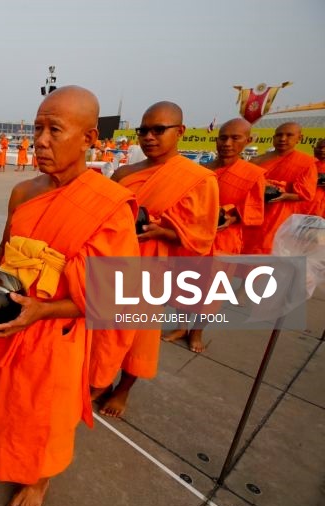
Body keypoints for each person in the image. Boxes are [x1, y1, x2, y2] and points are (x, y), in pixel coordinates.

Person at [0, 86, 139, 506]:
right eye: (37, 129)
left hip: (58, 331)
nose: (41, 140)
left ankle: (40, 481)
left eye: (55, 129)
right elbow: (5, 248)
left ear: (88, 139)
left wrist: (43, 311)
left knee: (47, 416)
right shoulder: (24, 193)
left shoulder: (108, 207)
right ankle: (6, 457)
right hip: (11, 323)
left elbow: (112, 294)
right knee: (5, 404)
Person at [93, 101, 219, 418]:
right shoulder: (124, 173)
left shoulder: (199, 179)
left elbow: (203, 235)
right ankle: (100, 379)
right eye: (144, 130)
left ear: (180, 132)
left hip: (152, 269)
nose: (149, 137)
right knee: (102, 331)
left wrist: (165, 232)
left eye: (158, 130)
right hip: (115, 263)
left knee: (139, 338)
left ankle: (123, 390)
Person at [162, 118, 265, 352]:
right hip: (193, 238)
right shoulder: (203, 170)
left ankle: (197, 332)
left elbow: (254, 211)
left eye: (235, 138)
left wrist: (229, 215)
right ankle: (181, 326)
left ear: (247, 141)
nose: (227, 143)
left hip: (223, 242)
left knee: (212, 292)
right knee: (184, 285)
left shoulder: (253, 174)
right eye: (223, 137)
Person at [244, 122, 317, 254]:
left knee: (268, 247)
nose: (282, 139)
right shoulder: (257, 160)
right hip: (252, 210)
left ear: (299, 138)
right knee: (245, 246)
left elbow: (306, 193)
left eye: (289, 135)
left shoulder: (306, 162)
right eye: (279, 135)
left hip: (279, 215)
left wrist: (285, 195)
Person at [304, 139, 325, 217]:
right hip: (303, 205)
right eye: (319, 147)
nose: (322, 150)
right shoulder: (305, 163)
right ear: (314, 149)